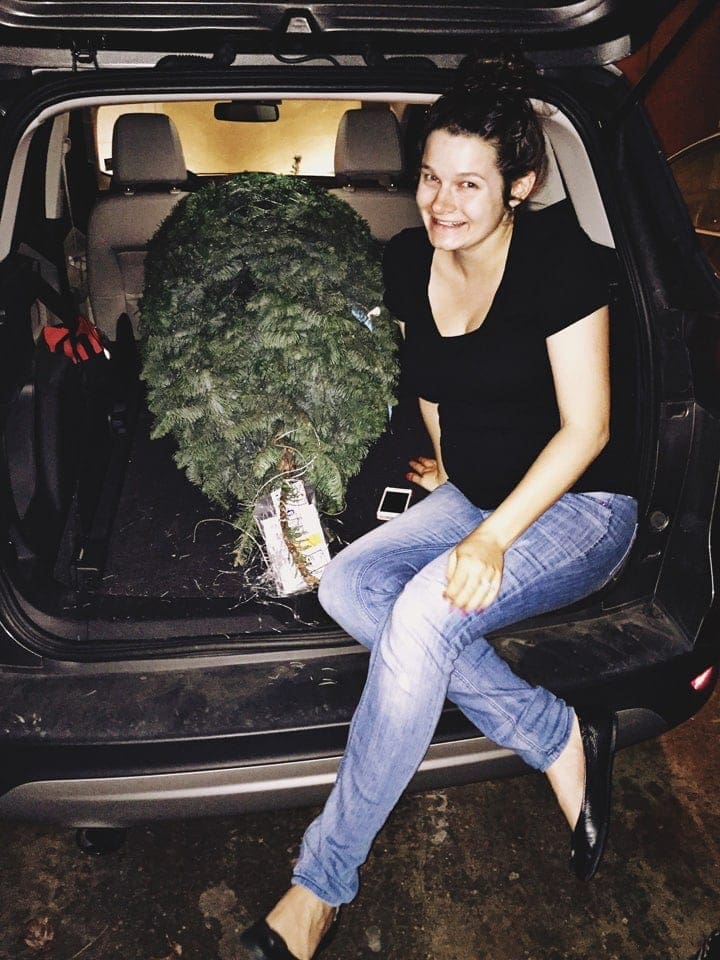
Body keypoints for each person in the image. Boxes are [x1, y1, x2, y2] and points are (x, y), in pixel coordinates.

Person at [239, 48, 638, 960]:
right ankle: (554, 730)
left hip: (580, 504)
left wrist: (489, 538)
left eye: (468, 183)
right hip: (483, 494)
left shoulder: (561, 265)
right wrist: (454, 475)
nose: (441, 202)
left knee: (423, 618)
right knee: (346, 586)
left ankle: (320, 884)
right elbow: (430, 383)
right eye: (429, 177)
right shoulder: (407, 258)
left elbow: (589, 428)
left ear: (520, 185)